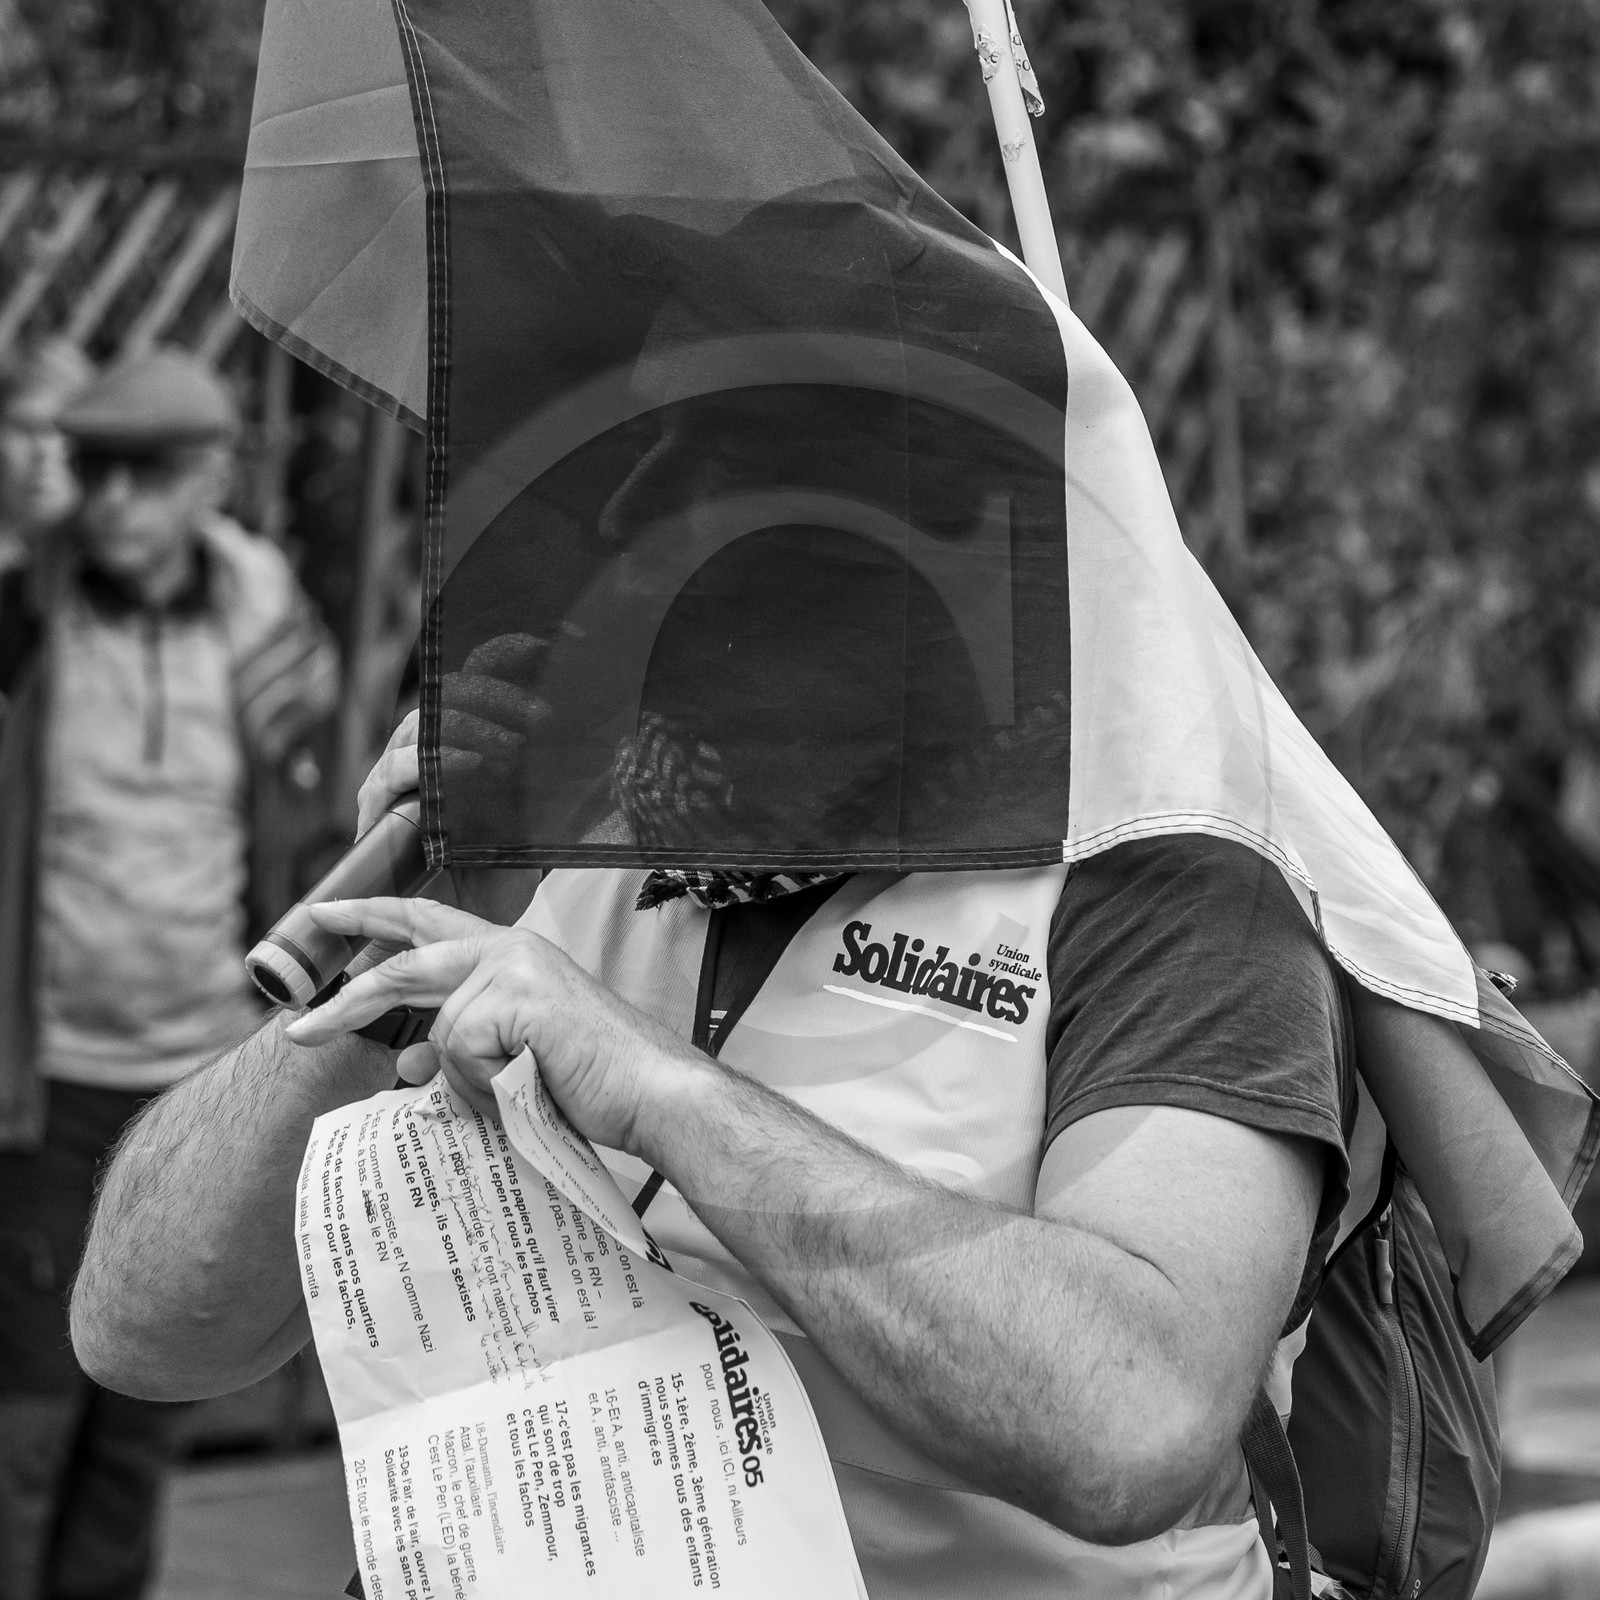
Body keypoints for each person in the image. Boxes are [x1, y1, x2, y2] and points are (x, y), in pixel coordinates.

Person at [68, 567, 1370, 1599]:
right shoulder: (573, 823)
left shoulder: (1176, 890)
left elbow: (1133, 1425)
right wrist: (410, 918)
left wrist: (670, 1097)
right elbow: (143, 1329)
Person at [0, 346, 340, 1600]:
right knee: (27, 1419)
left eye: (146, 477)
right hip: (51, 1083)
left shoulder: (260, 611)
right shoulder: (25, 612)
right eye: (94, 472)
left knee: (142, 1403)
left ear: (207, 478)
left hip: (198, 1078)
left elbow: (312, 818)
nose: (112, 504)